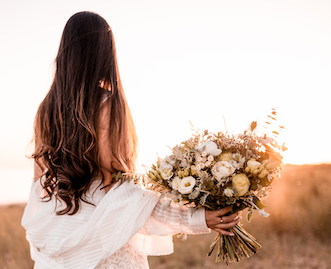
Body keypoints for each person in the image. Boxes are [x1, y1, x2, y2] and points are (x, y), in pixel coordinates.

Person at [21, 11, 241, 269]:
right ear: (105, 54)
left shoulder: (45, 110)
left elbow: (39, 188)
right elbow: (127, 196)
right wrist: (196, 218)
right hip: (105, 251)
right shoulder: (109, 107)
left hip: (56, 246)